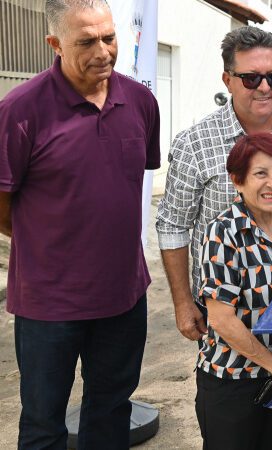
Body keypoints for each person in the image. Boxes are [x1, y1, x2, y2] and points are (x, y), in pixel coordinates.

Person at [0, 0, 160, 448]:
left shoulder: (141, 101)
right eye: (86, 41)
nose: (103, 51)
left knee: (110, 414)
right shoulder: (20, 110)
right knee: (42, 424)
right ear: (54, 44)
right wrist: (49, 241)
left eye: (109, 37)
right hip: (48, 303)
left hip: (124, 296)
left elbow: (127, 185)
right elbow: (3, 203)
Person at [156, 26, 272, 342]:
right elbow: (173, 225)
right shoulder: (195, 143)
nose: (264, 88)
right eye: (251, 78)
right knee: (229, 390)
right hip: (224, 314)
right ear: (227, 80)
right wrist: (182, 302)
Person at [196, 133, 272, 449]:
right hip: (233, 380)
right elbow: (222, 319)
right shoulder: (224, 233)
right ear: (238, 180)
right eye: (261, 173)